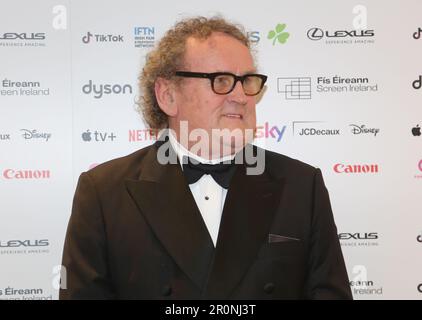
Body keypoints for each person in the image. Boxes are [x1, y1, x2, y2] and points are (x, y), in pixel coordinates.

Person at [60, 16, 352, 299]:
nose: (241, 96)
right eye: (221, 80)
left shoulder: (302, 186)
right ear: (167, 95)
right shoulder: (104, 192)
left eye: (247, 80)